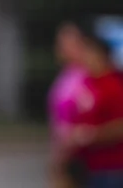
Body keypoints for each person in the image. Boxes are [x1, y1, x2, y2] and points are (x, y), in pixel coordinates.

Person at [56, 15, 123, 188]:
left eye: (89, 52)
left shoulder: (114, 85)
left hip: (111, 168)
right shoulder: (86, 83)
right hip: (87, 167)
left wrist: (91, 135)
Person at [48, 22, 90, 187]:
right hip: (61, 151)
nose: (62, 48)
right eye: (60, 43)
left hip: (79, 155)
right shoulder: (67, 75)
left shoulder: (88, 75)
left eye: (68, 43)